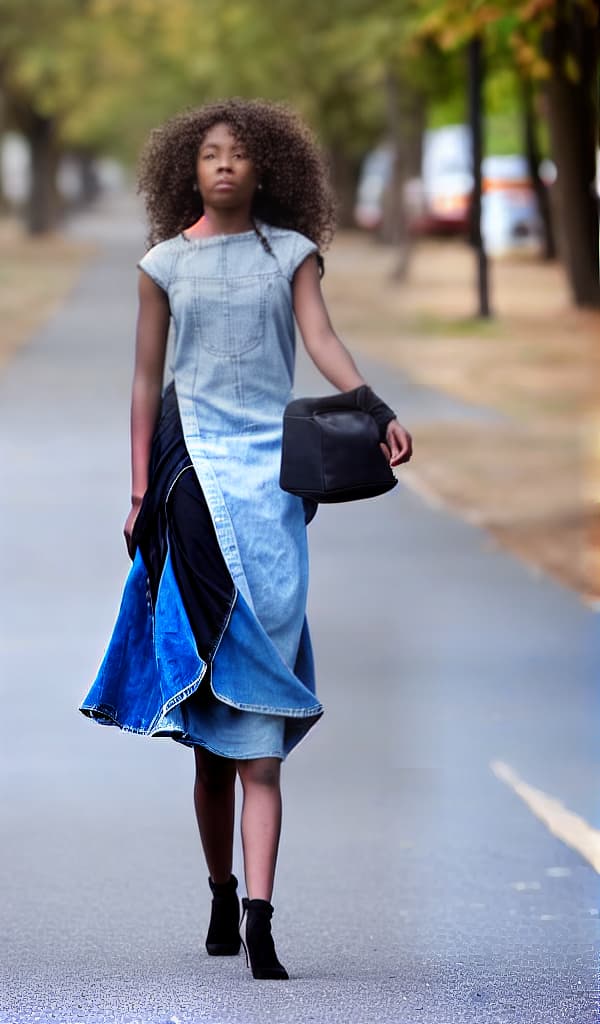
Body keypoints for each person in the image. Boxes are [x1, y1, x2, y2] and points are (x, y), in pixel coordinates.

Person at [80, 98, 412, 980]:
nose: (224, 166)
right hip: (192, 484)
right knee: (213, 736)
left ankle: (260, 917)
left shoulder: (291, 256)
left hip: (272, 493)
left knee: (256, 730)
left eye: (239, 156)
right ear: (189, 170)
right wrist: (140, 488)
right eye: (210, 155)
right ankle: (224, 895)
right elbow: (146, 381)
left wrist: (374, 410)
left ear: (266, 169)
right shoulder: (162, 265)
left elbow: (323, 340)